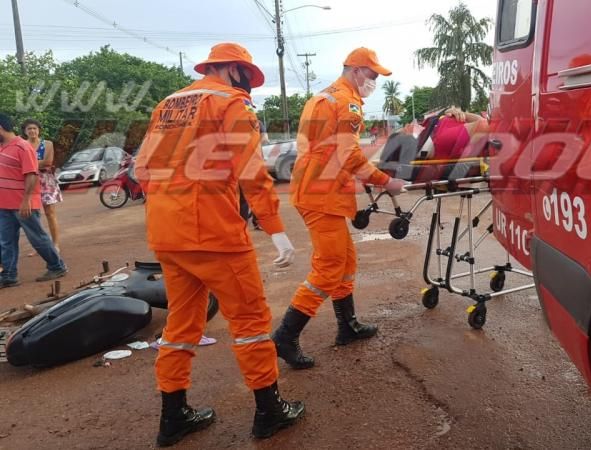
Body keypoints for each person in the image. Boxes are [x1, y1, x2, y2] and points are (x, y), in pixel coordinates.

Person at [135, 43, 304, 447]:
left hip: (167, 233)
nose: (249, 87)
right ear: (231, 69)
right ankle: (269, 411)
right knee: (249, 322)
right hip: (213, 234)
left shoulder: (168, 104)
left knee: (180, 325)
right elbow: (250, 169)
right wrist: (275, 228)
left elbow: (143, 169)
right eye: (247, 76)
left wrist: (168, 204)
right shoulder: (232, 103)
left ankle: (173, 417)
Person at [273, 47, 407, 369]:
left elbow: (326, 152)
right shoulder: (345, 102)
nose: (374, 81)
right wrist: (384, 180)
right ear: (356, 70)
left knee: (345, 261)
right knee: (330, 266)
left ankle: (347, 325)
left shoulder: (322, 97)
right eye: (372, 74)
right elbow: (348, 156)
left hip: (319, 189)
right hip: (322, 195)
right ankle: (285, 336)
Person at [0, 113, 68, 288]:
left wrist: (26, 200)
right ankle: (9, 275)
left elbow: (31, 175)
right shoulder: (2, 147)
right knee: (6, 241)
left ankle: (57, 266)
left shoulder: (23, 147)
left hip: (23, 203)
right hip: (4, 204)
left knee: (37, 237)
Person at [22, 119, 63, 254]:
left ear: (39, 130)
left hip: (46, 181)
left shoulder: (47, 144)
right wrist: (37, 163)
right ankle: (41, 246)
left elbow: (48, 162)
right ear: (25, 131)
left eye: (34, 128)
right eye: (29, 129)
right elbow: (22, 163)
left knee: (50, 213)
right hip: (30, 182)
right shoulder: (23, 145)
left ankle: (55, 244)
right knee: (34, 216)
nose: (32, 131)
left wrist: (30, 164)